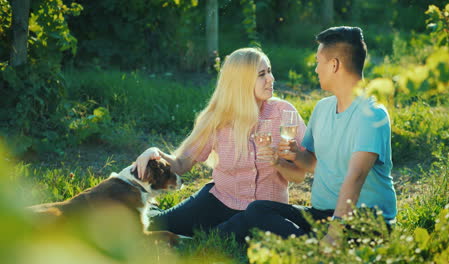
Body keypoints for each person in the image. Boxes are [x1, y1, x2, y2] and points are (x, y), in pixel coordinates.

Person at [215, 26, 397, 245]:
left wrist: (335, 234)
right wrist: (293, 155)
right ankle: (201, 240)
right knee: (258, 209)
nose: (316, 69)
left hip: (366, 222)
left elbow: (355, 178)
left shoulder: (371, 115)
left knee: (259, 219)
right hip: (321, 216)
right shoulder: (322, 109)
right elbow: (312, 163)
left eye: (318, 62)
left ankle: (318, 251)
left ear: (334, 65)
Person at [132, 47, 307, 237]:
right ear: (242, 82)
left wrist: (277, 162)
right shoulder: (217, 119)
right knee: (152, 225)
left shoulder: (283, 112)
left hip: (265, 212)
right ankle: (135, 206)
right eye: (262, 74)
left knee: (218, 241)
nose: (271, 79)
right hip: (220, 201)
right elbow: (182, 164)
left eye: (270, 71)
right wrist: (154, 152)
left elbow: (299, 176)